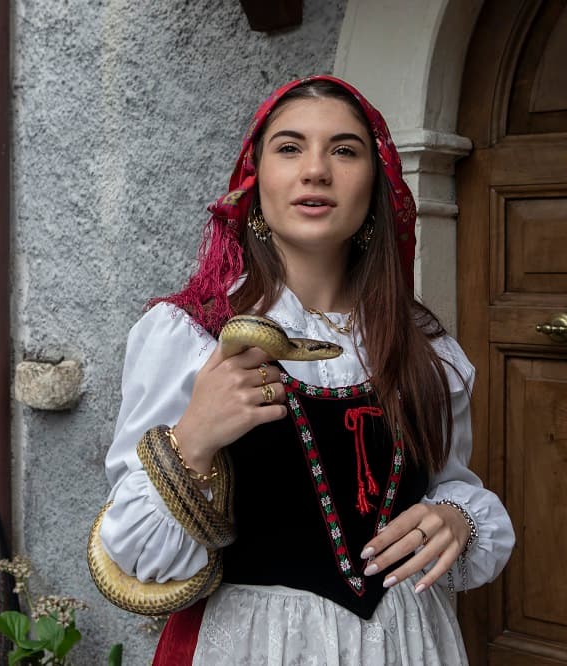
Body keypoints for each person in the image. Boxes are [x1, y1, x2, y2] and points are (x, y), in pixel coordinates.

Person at [100, 75, 514, 665]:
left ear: (376, 185)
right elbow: (134, 559)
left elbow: (449, 483)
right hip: (255, 644)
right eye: (289, 148)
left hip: (403, 642)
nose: (315, 170)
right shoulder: (193, 336)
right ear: (257, 180)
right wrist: (193, 436)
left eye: (344, 150)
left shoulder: (426, 349)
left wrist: (456, 519)